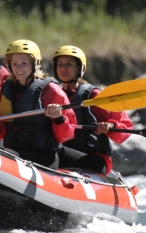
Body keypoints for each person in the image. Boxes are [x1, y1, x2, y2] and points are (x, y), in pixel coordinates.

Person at [0, 39, 76, 170]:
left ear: (35, 64)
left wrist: (59, 118)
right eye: (14, 63)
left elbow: (66, 135)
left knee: (1, 155)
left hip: (43, 155)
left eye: (24, 63)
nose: (18, 68)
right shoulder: (6, 90)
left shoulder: (51, 90)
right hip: (15, 150)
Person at [52, 45, 133, 175]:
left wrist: (110, 125)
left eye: (69, 64)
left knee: (54, 151)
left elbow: (126, 126)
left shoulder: (93, 95)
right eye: (60, 64)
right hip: (68, 152)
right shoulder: (54, 94)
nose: (63, 68)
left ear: (79, 68)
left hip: (94, 159)